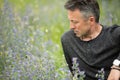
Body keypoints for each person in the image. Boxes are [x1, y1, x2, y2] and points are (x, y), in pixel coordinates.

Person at [61, 0, 120, 80]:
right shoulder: (67, 40)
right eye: (70, 21)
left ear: (91, 20)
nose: (71, 26)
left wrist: (117, 66)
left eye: (75, 22)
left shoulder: (113, 34)